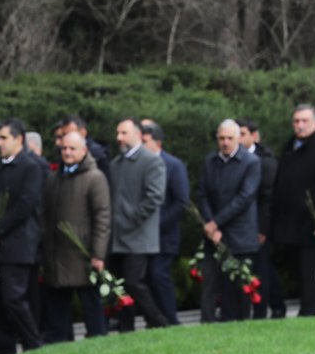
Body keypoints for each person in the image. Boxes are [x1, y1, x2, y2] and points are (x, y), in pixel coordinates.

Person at [0, 119, 44, 354]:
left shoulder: (31, 167)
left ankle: (33, 344)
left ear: (19, 139)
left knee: (14, 298)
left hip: (19, 244)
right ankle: (0, 348)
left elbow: (24, 206)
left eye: (4, 138)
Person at [39, 131, 112, 343]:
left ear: (84, 150)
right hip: (57, 257)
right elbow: (44, 215)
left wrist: (98, 254)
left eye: (72, 148)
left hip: (83, 256)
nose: (67, 152)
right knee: (57, 311)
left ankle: (99, 344)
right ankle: (59, 348)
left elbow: (102, 218)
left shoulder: (95, 178)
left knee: (91, 306)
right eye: (64, 148)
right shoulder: (53, 178)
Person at [270, 104, 315, 317]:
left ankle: (310, 309)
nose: (300, 125)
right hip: (289, 221)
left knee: (309, 270)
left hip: (311, 222)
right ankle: (310, 306)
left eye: (304, 121)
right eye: (296, 121)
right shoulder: (290, 146)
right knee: (295, 268)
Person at [106, 118, 169, 331]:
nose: (119, 138)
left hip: (139, 235)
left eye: (124, 133)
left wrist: (132, 217)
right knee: (121, 285)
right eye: (118, 133)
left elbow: (155, 197)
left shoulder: (151, 161)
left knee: (134, 282)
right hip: (118, 235)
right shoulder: (115, 164)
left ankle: (158, 321)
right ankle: (126, 326)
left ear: (138, 134)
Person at [196, 119, 263, 322]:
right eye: (221, 138)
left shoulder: (251, 162)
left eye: (229, 138)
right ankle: (208, 322)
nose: (225, 143)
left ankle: (241, 321)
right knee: (210, 281)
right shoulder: (210, 161)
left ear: (238, 138)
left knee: (239, 284)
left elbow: (244, 198)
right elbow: (202, 195)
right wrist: (210, 225)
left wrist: (216, 223)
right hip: (213, 234)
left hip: (239, 233)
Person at [142, 121, 189, 326]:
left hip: (165, 234)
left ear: (158, 142)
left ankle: (170, 319)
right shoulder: (139, 166)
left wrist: (158, 225)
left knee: (158, 275)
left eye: (145, 142)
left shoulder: (173, 165)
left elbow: (181, 201)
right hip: (143, 236)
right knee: (147, 277)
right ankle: (155, 320)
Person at [238, 119, 283, 318]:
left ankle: (268, 307)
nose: (238, 139)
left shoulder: (265, 161)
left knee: (262, 266)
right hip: (240, 225)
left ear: (254, 136)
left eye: (242, 134)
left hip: (259, 224)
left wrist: (262, 228)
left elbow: (267, 198)